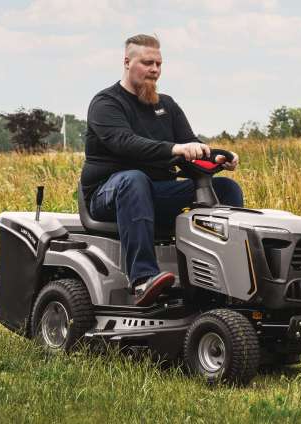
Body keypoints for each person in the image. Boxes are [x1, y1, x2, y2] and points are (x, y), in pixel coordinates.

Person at [81, 34, 242, 306]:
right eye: (147, 63)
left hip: (157, 192)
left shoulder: (166, 105)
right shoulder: (106, 103)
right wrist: (175, 149)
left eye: (158, 63)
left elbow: (192, 143)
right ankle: (143, 279)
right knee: (134, 180)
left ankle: (224, 281)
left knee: (226, 189)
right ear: (127, 62)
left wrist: (217, 156)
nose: (154, 70)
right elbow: (125, 144)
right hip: (106, 194)